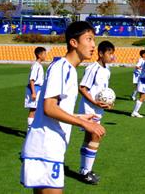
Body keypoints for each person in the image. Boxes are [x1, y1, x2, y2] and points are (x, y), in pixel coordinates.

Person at [20, 21, 105, 192]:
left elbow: (57, 108)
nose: (93, 45)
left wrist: (79, 117)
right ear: (74, 42)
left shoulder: (70, 70)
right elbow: (49, 107)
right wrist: (84, 124)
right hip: (45, 147)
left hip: (50, 147)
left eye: (93, 40)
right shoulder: (61, 67)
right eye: (88, 39)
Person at [77, 40, 115, 184]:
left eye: (113, 54)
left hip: (98, 108)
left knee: (89, 138)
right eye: (109, 53)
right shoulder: (93, 68)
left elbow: (103, 91)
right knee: (96, 135)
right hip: (89, 109)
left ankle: (83, 169)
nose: (111, 56)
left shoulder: (107, 69)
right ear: (100, 53)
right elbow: (82, 88)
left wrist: (108, 102)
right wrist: (94, 102)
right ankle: (87, 172)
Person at [25, 47, 47, 130]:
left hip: (38, 89)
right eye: (44, 54)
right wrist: (33, 92)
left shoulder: (38, 65)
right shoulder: (36, 66)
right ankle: (29, 129)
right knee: (33, 109)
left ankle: (33, 127)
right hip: (35, 89)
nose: (46, 55)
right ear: (39, 55)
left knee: (37, 109)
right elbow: (32, 79)